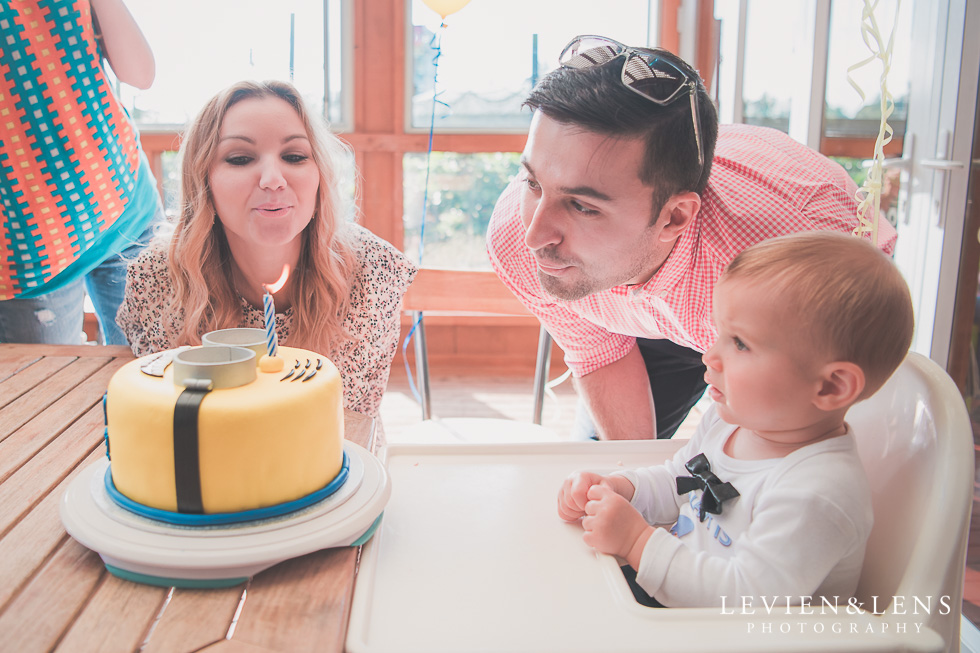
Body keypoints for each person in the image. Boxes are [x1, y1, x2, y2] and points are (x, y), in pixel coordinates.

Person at [487, 35, 898, 440]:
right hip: (652, 312)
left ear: (674, 217)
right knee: (607, 469)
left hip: (769, 306)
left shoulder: (790, 261)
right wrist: (627, 482)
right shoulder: (516, 235)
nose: (535, 236)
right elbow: (598, 353)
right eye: (533, 181)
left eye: (583, 206)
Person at [556, 231, 914, 607]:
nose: (710, 356)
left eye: (740, 343)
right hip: (680, 605)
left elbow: (745, 598)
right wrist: (621, 490)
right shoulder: (732, 422)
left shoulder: (817, 493)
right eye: (719, 333)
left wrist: (635, 542)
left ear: (831, 386)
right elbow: (678, 481)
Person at [116, 80, 417, 417]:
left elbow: (345, 419)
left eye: (295, 156)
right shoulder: (157, 276)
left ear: (319, 175)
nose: (273, 179)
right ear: (204, 181)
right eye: (241, 158)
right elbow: (161, 409)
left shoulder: (374, 271)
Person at [0, 0, 165, 345]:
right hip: (29, 250)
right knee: (45, 395)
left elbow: (140, 74)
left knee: (153, 373)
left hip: (124, 204)